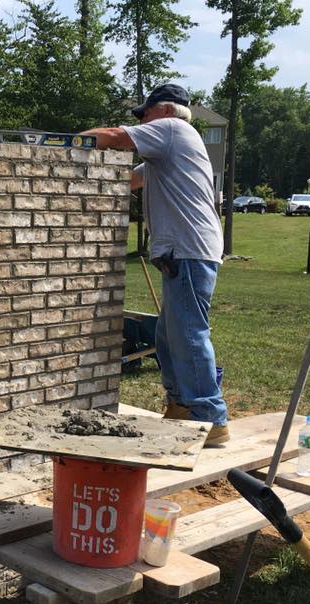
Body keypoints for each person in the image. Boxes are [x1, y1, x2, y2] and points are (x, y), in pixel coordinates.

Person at [86, 83, 229, 446]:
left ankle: (209, 416)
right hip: (183, 252)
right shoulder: (165, 156)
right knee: (168, 336)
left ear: (164, 110)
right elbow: (130, 180)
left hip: (189, 250)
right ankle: (181, 405)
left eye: (145, 114)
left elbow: (116, 137)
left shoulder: (173, 130)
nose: (142, 121)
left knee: (188, 334)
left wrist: (68, 142)